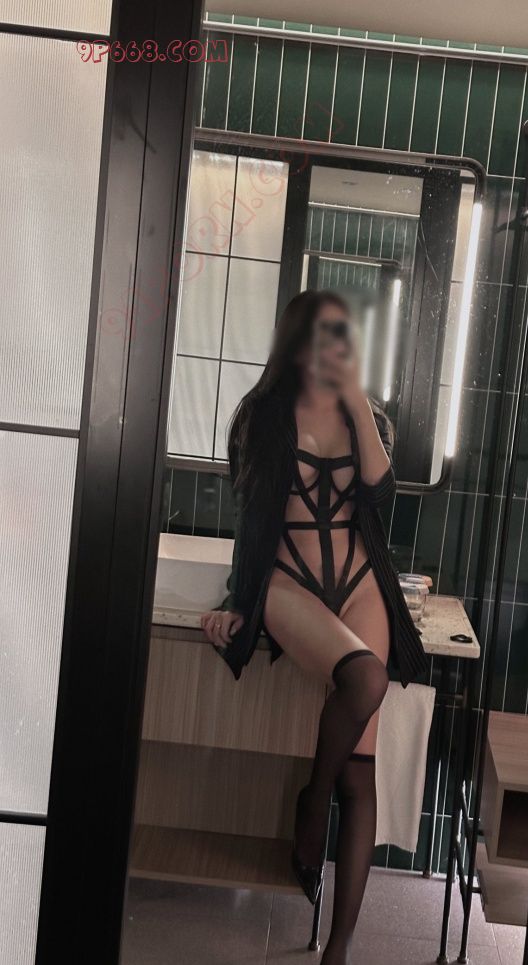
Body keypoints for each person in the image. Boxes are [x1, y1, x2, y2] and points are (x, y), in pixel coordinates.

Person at [201, 289, 428, 964]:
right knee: (367, 679)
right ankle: (311, 805)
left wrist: (356, 401)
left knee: (361, 775)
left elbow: (383, 497)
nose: (334, 346)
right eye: (324, 333)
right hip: (287, 581)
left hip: (361, 584)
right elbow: (250, 519)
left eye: (343, 334)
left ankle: (338, 949)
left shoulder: (369, 416)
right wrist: (236, 599)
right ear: (297, 340)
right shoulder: (261, 415)